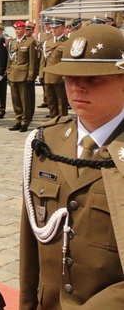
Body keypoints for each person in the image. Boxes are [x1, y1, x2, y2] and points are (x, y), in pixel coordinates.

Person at [20, 24, 124, 307]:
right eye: (70, 77)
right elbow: (32, 247)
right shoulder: (46, 142)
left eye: (95, 79)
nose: (78, 87)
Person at [6, 21, 37, 133]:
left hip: (24, 75)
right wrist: (8, 71)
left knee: (26, 100)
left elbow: (32, 61)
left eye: (19, 29)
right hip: (13, 74)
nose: (17, 31)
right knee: (16, 100)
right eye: (16, 29)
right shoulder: (12, 42)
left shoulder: (30, 42)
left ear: (24, 30)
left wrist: (31, 76)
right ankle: (18, 120)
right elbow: (9, 59)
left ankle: (25, 121)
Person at [41, 18, 68, 119]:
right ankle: (54, 121)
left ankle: (62, 121)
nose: (53, 30)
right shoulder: (47, 42)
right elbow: (43, 60)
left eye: (56, 28)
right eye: (52, 28)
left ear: (63, 28)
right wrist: (41, 74)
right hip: (48, 76)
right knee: (51, 102)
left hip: (59, 77)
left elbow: (67, 62)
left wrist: (65, 76)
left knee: (61, 102)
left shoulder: (67, 42)